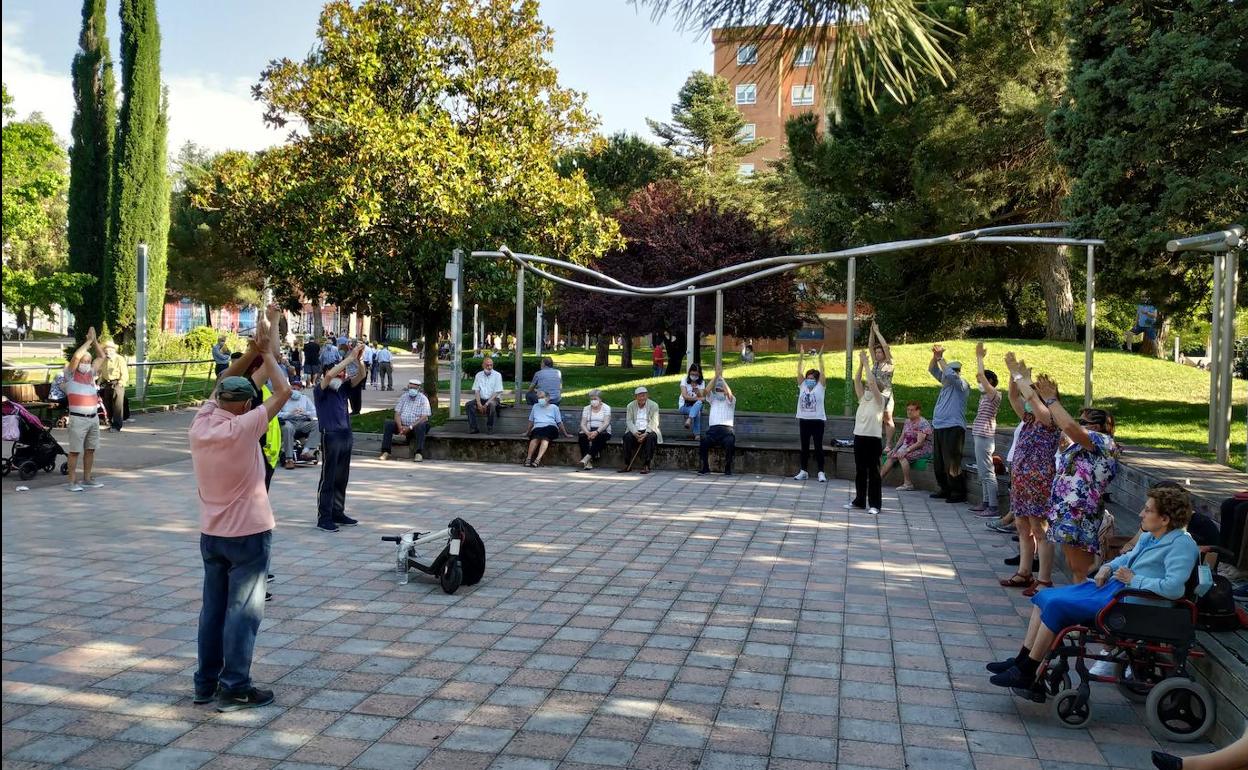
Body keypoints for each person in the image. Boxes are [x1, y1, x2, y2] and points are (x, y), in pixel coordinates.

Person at [987, 485, 1197, 703]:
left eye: (1148, 510)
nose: (1141, 514)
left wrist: (1135, 580)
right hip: (1117, 591)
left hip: (1134, 603)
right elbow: (1126, 559)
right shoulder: (1151, 537)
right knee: (1044, 597)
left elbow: (1174, 588)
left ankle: (1028, 671)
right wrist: (1108, 567)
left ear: (1164, 519)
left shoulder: (1181, 545)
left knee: (1057, 605)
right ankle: (1023, 661)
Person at [189, 328, 290, 712]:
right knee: (242, 613)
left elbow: (222, 384)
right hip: (248, 533)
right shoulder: (244, 428)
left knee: (212, 610)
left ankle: (205, 683)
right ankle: (235, 687)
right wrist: (270, 357)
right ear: (248, 406)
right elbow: (284, 394)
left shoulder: (202, 423)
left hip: (211, 534)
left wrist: (253, 353)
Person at [1018, 367, 1120, 584]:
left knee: (1081, 569)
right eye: (1080, 420)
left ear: (1100, 427)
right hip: (1069, 511)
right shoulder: (1081, 444)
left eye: (1085, 422)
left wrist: (1051, 400)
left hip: (1082, 512)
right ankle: (1077, 606)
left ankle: (1080, 610)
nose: (1079, 424)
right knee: (1076, 567)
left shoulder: (1104, 443)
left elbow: (1071, 427)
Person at [998, 352, 1062, 596]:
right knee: (1022, 525)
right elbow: (1015, 396)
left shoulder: (1050, 419)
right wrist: (1013, 375)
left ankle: (1044, 579)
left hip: (1039, 480)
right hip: (1022, 480)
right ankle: (1024, 572)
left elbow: (1032, 399)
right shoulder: (1027, 419)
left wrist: (1021, 376)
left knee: (1039, 528)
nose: (1027, 401)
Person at [314, 342, 366, 533]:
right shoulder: (321, 390)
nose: (341, 374)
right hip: (331, 436)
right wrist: (349, 358)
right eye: (338, 371)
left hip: (345, 435)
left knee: (342, 477)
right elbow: (329, 375)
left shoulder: (342, 389)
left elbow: (361, 375)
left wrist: (358, 360)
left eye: (342, 372)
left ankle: (338, 512)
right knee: (328, 477)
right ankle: (324, 517)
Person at [64, 327, 106, 492]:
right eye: (84, 361)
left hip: (93, 417)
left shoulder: (91, 376)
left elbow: (101, 356)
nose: (86, 364)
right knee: (75, 451)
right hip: (78, 418)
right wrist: (88, 341)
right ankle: (72, 482)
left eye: (88, 362)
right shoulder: (70, 375)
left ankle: (87, 478)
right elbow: (76, 356)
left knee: (91, 449)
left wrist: (95, 340)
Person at [928, 344, 970, 503]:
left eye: (947, 373)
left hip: (954, 427)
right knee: (939, 463)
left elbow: (951, 375)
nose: (943, 376)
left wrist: (941, 358)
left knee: (952, 461)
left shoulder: (962, 385)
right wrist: (934, 357)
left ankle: (957, 492)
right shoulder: (946, 383)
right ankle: (944, 488)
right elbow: (932, 369)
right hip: (939, 426)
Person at [846, 350, 885, 514]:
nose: (868, 386)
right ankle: (860, 501)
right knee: (860, 470)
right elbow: (856, 380)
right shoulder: (863, 399)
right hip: (859, 438)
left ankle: (875, 504)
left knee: (874, 473)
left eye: (870, 385)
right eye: (867, 385)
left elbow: (873, 383)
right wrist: (861, 364)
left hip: (873, 440)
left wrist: (868, 365)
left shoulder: (880, 400)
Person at [969, 342, 1002, 517]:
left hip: (984, 436)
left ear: (990, 382)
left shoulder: (994, 394)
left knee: (987, 471)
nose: (979, 383)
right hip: (979, 435)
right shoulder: (985, 397)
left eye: (982, 381)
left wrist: (979, 358)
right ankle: (985, 502)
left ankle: (993, 507)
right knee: (982, 471)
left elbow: (981, 374)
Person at [880, 401, 932, 490]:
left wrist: (905, 450)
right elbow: (902, 438)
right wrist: (894, 449)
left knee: (902, 456)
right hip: (908, 447)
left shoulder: (923, 423)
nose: (909, 412)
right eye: (908, 410)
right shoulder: (907, 421)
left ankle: (908, 483)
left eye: (912, 410)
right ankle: (877, 480)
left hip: (922, 449)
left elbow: (920, 443)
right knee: (892, 456)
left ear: (918, 411)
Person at [793, 348, 827, 483]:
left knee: (818, 447)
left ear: (817, 380)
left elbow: (823, 372)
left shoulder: (820, 387)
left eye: (812, 378)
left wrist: (820, 358)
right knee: (804, 447)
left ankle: (821, 472)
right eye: (808, 378)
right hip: (804, 421)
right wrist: (801, 357)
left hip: (817, 421)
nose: (809, 380)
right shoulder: (803, 386)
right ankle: (803, 471)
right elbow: (799, 372)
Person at [379, 379, 431, 462]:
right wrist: (400, 427)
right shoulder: (404, 397)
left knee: (421, 426)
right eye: (410, 388)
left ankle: (419, 453)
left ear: (419, 389)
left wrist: (410, 427)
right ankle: (386, 451)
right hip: (402, 425)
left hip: (415, 426)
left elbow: (424, 417)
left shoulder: (423, 399)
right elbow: (397, 413)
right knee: (389, 424)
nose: (412, 390)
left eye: (414, 388)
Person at [698, 371, 737, 476]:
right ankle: (705, 467)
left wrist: (722, 380)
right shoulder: (713, 400)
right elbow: (706, 391)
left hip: (726, 431)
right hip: (713, 431)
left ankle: (728, 468)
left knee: (730, 443)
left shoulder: (731, 401)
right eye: (717, 390)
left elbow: (729, 393)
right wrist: (716, 377)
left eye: (721, 389)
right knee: (704, 441)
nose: (719, 391)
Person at [277, 379, 319, 468]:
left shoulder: (305, 398)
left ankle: (306, 451)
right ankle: (289, 459)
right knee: (287, 428)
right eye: (294, 388)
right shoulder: (283, 398)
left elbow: (314, 412)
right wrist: (290, 413)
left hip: (302, 421)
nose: (296, 390)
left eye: (298, 389)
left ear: (301, 390)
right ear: (290, 388)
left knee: (317, 424)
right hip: (289, 421)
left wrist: (305, 412)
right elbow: (277, 414)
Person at [620, 386, 662, 474]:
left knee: (651, 438)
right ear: (635, 397)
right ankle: (627, 464)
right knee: (626, 437)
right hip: (635, 430)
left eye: (644, 395)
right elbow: (629, 421)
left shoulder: (654, 405)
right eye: (640, 396)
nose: (642, 398)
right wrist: (635, 433)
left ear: (647, 396)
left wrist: (646, 433)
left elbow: (654, 422)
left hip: (649, 430)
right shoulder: (630, 405)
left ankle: (646, 465)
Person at [523, 389, 570, 467]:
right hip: (538, 426)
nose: (540, 400)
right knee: (535, 438)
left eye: (542, 397)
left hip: (551, 427)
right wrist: (527, 432)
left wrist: (566, 434)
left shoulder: (554, 407)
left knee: (545, 438)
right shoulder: (535, 406)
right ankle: (528, 458)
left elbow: (559, 422)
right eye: (538, 398)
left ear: (548, 398)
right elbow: (531, 420)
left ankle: (538, 459)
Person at [869, 321, 897, 448]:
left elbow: (885, 346)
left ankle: (889, 444)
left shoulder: (889, 362)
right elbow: (870, 346)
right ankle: (875, 443)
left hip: (886, 395)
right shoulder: (875, 363)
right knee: (874, 419)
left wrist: (877, 332)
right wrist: (871, 331)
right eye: (877, 352)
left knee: (887, 419)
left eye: (880, 352)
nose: (877, 353)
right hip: (874, 394)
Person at [576, 389, 612, 471]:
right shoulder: (586, 408)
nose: (593, 401)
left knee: (600, 437)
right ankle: (588, 463)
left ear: (600, 400)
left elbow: (606, 423)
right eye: (591, 399)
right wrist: (587, 433)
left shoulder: (606, 408)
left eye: (595, 399)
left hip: (602, 430)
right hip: (588, 430)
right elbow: (582, 424)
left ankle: (586, 458)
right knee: (582, 437)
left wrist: (597, 432)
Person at [468, 357, 505, 434]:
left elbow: (496, 392)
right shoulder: (478, 375)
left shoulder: (497, 375)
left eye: (491, 365)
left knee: (491, 405)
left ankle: (489, 427)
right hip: (481, 399)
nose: (489, 367)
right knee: (469, 405)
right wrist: (478, 403)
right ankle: (474, 428)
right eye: (487, 365)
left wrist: (486, 404)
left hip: (493, 399)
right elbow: (476, 390)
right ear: (483, 365)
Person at [99, 340, 128, 431]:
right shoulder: (104, 360)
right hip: (107, 383)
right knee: (107, 404)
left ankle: (117, 425)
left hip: (117, 383)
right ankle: (110, 423)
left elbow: (125, 373)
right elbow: (102, 373)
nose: (108, 351)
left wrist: (121, 383)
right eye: (106, 349)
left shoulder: (119, 359)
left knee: (117, 406)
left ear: (114, 350)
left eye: (111, 349)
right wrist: (98, 383)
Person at [678, 364, 706, 440]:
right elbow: (685, 396)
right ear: (689, 372)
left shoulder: (702, 382)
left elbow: (701, 396)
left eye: (696, 375)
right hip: (684, 405)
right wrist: (699, 398)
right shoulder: (684, 380)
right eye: (692, 374)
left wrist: (698, 392)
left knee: (699, 404)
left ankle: (689, 419)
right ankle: (697, 434)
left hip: (697, 405)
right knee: (697, 411)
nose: (694, 376)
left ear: (699, 374)